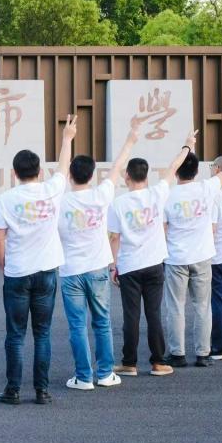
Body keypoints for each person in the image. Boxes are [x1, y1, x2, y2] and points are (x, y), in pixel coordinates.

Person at [0, 115, 77, 405]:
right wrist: (66, 138)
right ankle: (42, 390)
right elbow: (63, 167)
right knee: (42, 333)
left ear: (15, 173)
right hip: (46, 270)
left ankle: (13, 390)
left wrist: (3, 264)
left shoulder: (6, 199)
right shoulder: (51, 189)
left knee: (15, 335)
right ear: (40, 171)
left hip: (17, 271)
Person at [163, 112, 222, 369]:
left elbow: (163, 229)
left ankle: (178, 353)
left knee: (176, 307)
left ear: (177, 172)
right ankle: (203, 353)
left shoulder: (167, 195)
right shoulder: (207, 188)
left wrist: (187, 146)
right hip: (204, 256)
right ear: (197, 171)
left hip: (177, 258)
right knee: (203, 306)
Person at [56, 117, 140, 391]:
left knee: (77, 326)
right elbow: (117, 167)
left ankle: (83, 377)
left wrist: (67, 138)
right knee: (102, 322)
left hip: (71, 271)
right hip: (98, 268)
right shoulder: (101, 194)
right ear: (92, 176)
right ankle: (105, 373)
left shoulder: (60, 200)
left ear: (70, 176)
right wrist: (131, 138)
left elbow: (59, 172)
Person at [108, 129, 198, 378]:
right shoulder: (157, 193)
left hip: (129, 266)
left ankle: (129, 363)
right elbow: (174, 166)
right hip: (154, 265)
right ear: (146, 176)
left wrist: (113, 266)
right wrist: (187, 145)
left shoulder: (118, 204)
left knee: (131, 316)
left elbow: (114, 238)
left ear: (127, 176)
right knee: (154, 314)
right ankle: (158, 362)